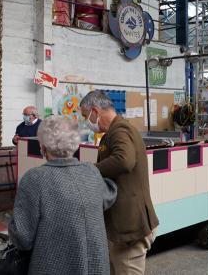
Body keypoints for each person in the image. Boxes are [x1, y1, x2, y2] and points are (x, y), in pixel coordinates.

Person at [8, 115, 117, 274]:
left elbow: (22, 237)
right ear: (75, 143)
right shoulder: (91, 171)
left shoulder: (35, 179)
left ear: (43, 147)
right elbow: (109, 195)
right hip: (96, 268)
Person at [80, 90, 159, 275]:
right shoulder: (114, 131)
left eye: (86, 116)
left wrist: (91, 170)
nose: (86, 121)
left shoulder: (120, 130)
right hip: (123, 225)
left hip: (130, 227)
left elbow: (124, 160)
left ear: (95, 111)